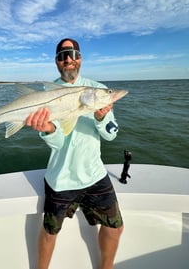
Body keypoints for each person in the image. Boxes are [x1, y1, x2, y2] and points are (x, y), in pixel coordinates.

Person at [26, 38, 123, 269]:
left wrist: (100, 117)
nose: (68, 59)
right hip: (61, 178)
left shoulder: (98, 90)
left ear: (80, 58)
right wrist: (48, 129)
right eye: (62, 56)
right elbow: (58, 143)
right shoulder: (46, 94)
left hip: (94, 174)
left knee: (115, 226)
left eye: (72, 54)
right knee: (50, 232)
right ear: (57, 62)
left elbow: (111, 134)